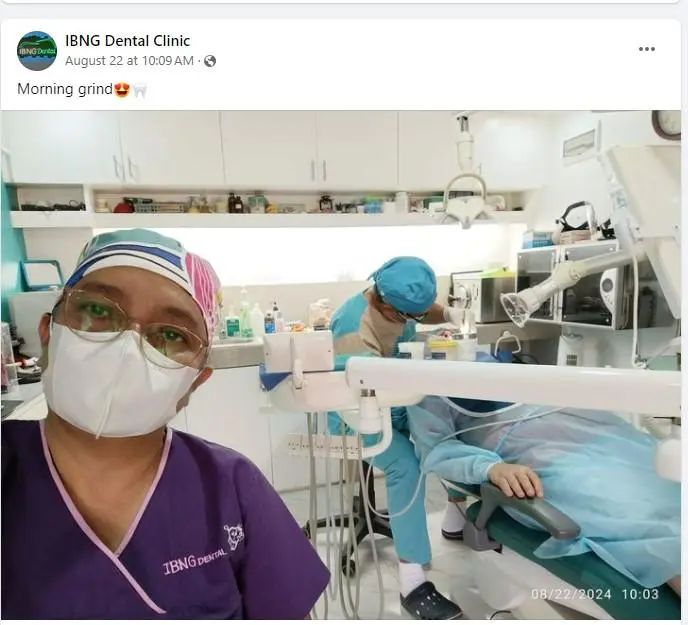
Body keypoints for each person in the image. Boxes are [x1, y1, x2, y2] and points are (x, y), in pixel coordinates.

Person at [1, 229, 330, 619]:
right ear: (47, 333)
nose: (127, 344)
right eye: (99, 310)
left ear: (196, 380)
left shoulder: (232, 488)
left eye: (171, 334)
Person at [405, 354, 681, 597]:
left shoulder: (490, 360)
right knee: (633, 514)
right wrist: (491, 468)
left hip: (582, 422)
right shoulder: (427, 386)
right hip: (534, 448)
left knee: (663, 471)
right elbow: (436, 450)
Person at [327, 256, 465, 620]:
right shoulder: (353, 328)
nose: (411, 323)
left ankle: (456, 517)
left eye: (415, 315)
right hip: (353, 414)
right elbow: (359, 396)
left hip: (395, 400)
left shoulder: (399, 302)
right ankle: (412, 583)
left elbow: (426, 311)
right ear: (381, 300)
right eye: (405, 317)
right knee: (405, 463)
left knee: (451, 427)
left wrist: (452, 315)